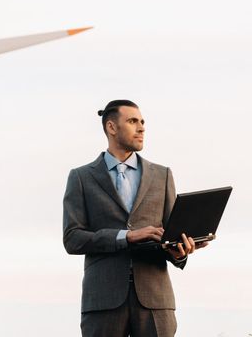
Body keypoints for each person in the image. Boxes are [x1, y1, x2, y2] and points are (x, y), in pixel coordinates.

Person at [62, 99, 207, 337]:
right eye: (132, 121)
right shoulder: (81, 178)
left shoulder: (163, 175)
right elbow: (72, 238)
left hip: (155, 302)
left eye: (142, 122)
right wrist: (126, 236)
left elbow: (170, 235)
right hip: (102, 302)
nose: (141, 128)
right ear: (111, 127)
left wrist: (178, 253)